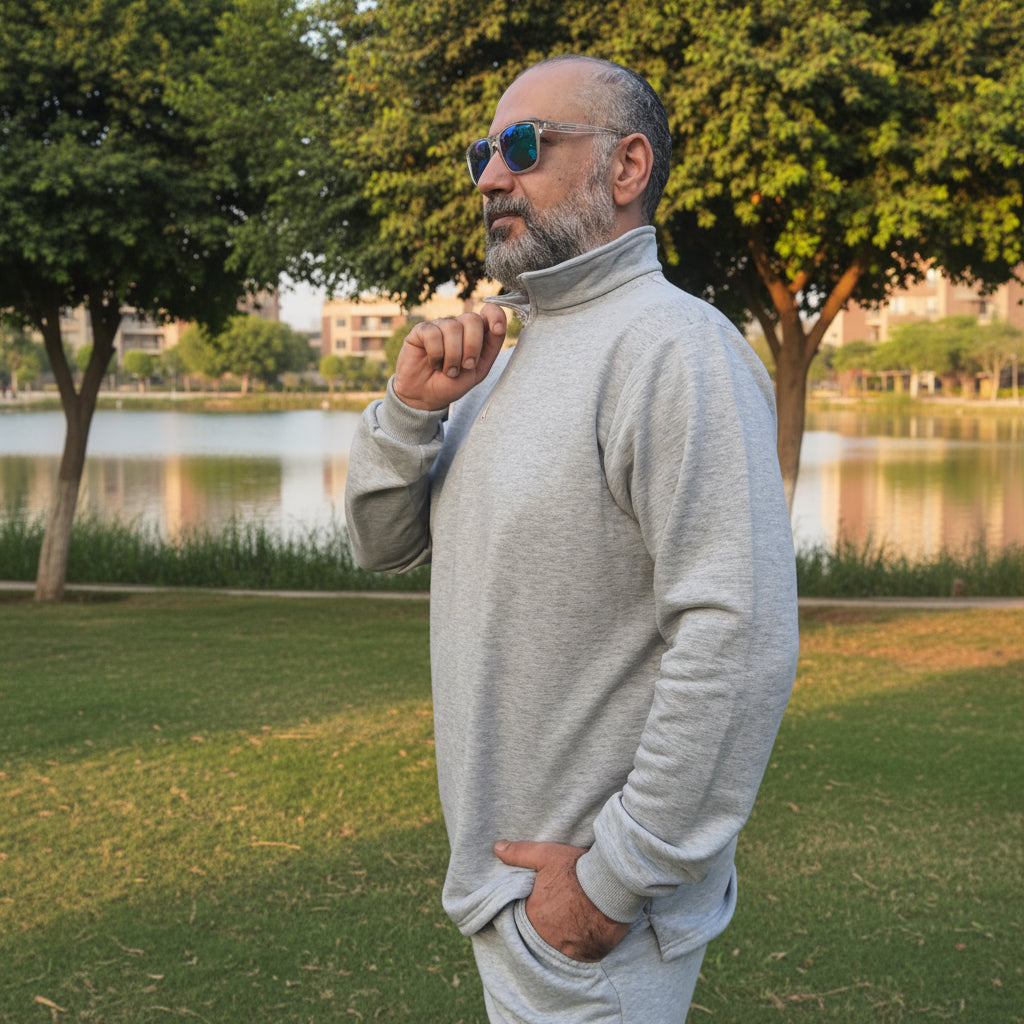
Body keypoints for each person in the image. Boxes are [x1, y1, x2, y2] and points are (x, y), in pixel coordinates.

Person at [344, 54, 800, 1023]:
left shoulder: (674, 348)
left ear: (626, 168)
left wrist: (612, 882)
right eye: (483, 151)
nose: (488, 178)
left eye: (522, 147)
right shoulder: (505, 350)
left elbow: (738, 636)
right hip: (513, 900)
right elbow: (379, 545)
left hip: (591, 928)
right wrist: (408, 410)